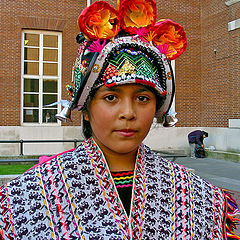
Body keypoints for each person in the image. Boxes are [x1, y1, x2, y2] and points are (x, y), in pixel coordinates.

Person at [1, 0, 239, 239]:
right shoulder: (28, 194)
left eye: (143, 98)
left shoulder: (198, 196)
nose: (128, 112)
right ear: (85, 108)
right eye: (112, 97)